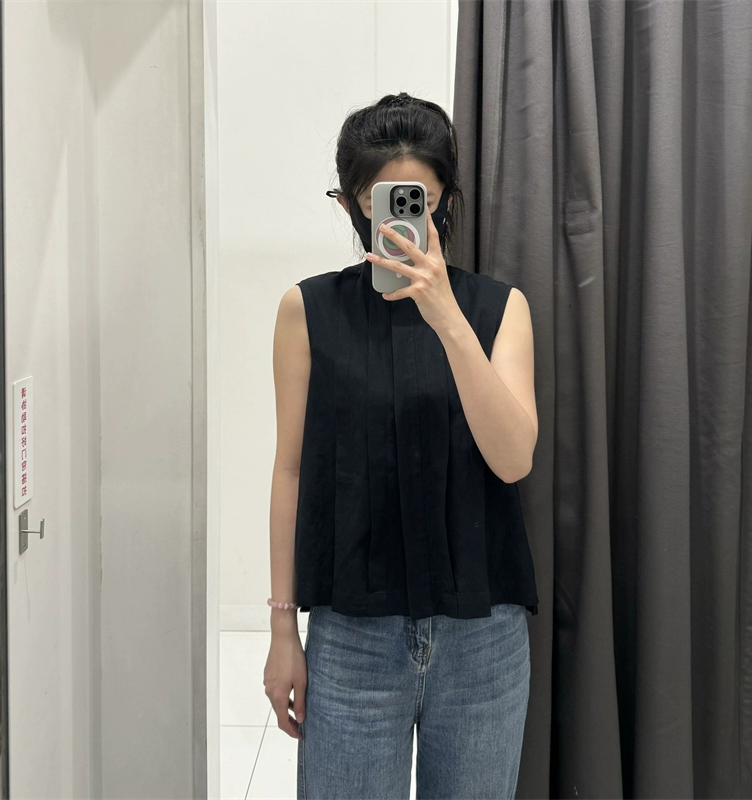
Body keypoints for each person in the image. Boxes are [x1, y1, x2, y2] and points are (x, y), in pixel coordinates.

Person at [264, 92, 539, 800]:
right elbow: (290, 472)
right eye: (375, 201)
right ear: (349, 204)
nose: (396, 222)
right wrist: (282, 631)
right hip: (352, 637)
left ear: (444, 202)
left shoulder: (499, 309)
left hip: (482, 638)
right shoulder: (307, 311)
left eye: (418, 201)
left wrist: (446, 315)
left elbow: (513, 458)